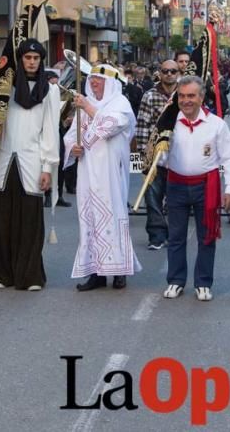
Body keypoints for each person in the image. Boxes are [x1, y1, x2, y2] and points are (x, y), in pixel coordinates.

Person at [0, 39, 61, 291]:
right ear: (20, 60)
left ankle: (29, 275)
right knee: (2, 217)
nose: (31, 62)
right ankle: (0, 273)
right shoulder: (4, 88)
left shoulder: (49, 91)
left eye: (36, 58)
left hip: (33, 158)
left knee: (29, 219)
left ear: (41, 61)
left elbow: (50, 131)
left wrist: (48, 167)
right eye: (27, 58)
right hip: (4, 156)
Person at [158, 76, 230, 302]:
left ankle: (203, 282)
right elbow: (159, 156)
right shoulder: (168, 122)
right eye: (181, 96)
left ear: (201, 97)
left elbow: (229, 158)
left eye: (191, 96)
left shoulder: (217, 124)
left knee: (206, 237)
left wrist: (229, 189)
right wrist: (158, 154)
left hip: (206, 186)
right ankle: (175, 280)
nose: (186, 101)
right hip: (176, 185)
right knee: (176, 236)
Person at [64, 64, 140, 291]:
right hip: (87, 170)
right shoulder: (84, 104)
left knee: (112, 214)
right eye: (92, 79)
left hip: (110, 171)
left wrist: (87, 107)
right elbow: (71, 135)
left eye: (99, 79)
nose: (94, 83)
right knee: (90, 217)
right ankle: (96, 272)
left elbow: (110, 126)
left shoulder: (120, 104)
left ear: (111, 83)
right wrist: (73, 148)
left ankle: (119, 271)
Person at [135, 59, 181, 249]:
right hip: (155, 154)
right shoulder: (150, 95)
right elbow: (142, 125)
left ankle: (175, 235)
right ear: (159, 73)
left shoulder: (184, 94)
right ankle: (156, 235)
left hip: (179, 155)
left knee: (177, 198)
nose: (169, 74)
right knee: (153, 198)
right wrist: (145, 154)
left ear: (178, 72)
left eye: (173, 71)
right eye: (165, 71)